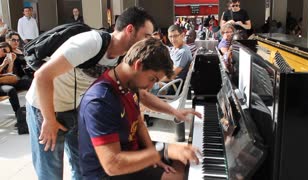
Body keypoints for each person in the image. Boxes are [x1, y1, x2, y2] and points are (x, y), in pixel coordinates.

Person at [25, 6, 200, 180]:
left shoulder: (124, 59)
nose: (149, 41)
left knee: (79, 166)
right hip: (45, 106)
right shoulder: (92, 42)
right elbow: (42, 76)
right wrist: (48, 119)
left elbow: (141, 94)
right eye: (146, 36)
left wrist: (174, 112)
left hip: (75, 106)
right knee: (50, 172)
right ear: (130, 30)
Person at [78, 37, 200, 180]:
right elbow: (112, 165)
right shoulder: (100, 101)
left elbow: (139, 123)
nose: (150, 87)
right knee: (178, 176)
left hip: (131, 152)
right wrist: (161, 152)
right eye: (152, 79)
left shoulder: (128, 84)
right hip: (109, 173)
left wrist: (153, 155)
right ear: (138, 65)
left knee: (185, 158)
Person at [151, 25, 193, 95]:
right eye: (170, 36)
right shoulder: (174, 49)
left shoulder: (183, 52)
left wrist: (155, 80)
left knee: (144, 86)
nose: (173, 39)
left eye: (175, 36)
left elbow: (171, 75)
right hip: (168, 82)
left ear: (182, 35)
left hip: (172, 86)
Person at [0, 42, 21, 117]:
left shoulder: (4, 58)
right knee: (11, 90)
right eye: (4, 50)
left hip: (4, 82)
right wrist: (3, 64)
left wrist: (11, 62)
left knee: (28, 82)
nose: (5, 53)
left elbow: (9, 74)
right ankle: (18, 114)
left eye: (8, 52)